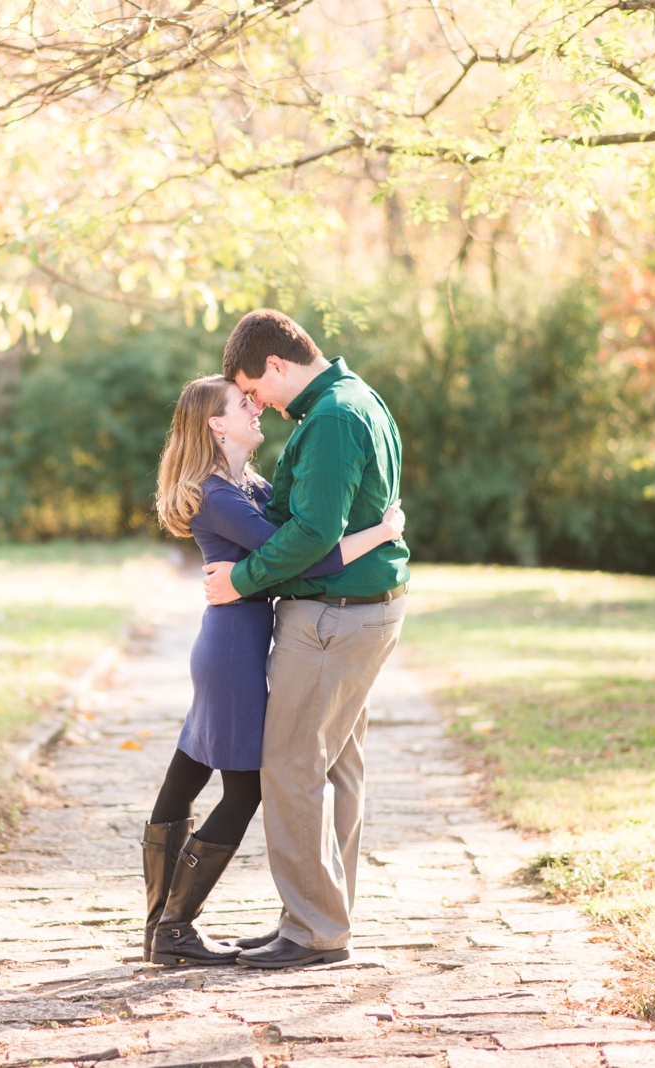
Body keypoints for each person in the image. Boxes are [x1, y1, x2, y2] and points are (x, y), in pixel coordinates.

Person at [143, 374, 405, 967]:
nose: (255, 408)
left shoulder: (248, 484)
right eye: (243, 404)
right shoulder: (218, 496)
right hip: (233, 653)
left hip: (232, 646)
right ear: (215, 424)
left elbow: (291, 531)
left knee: (188, 769)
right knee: (244, 786)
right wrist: (384, 532)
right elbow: (304, 551)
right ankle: (174, 928)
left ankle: (163, 926)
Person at [201, 309, 411, 969]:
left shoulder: (332, 419)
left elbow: (314, 531)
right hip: (360, 611)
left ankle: (315, 928)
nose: (256, 403)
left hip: (332, 619)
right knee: (335, 767)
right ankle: (317, 914)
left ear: (278, 367)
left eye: (254, 389)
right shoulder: (356, 399)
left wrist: (243, 579)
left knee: (291, 765)